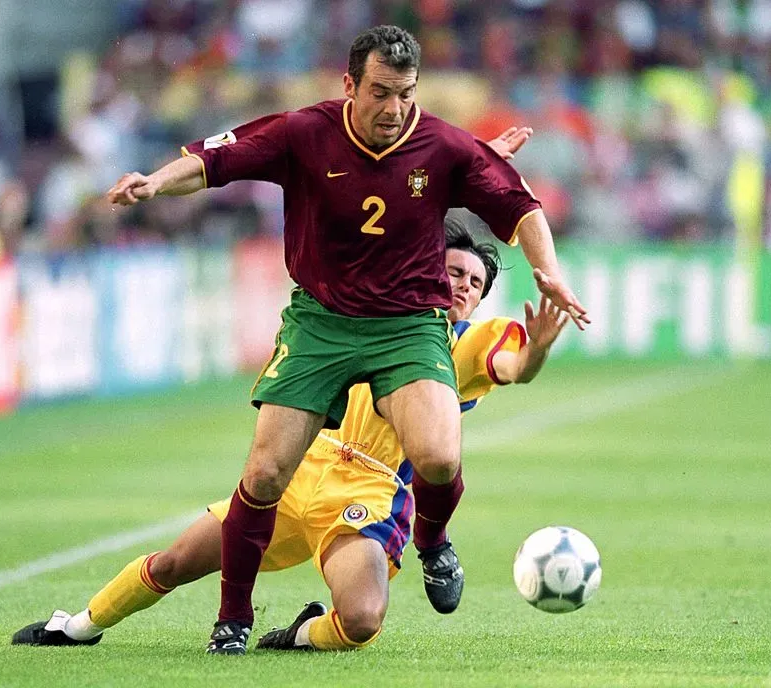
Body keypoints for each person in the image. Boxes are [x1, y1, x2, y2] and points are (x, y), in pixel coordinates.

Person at [106, 24, 587, 654]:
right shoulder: (304, 132)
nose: (394, 109)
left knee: (440, 457)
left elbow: (522, 209)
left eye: (406, 94)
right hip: (322, 322)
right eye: (381, 93)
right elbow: (214, 159)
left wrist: (549, 273)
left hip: (407, 324)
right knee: (266, 471)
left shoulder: (442, 144)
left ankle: (434, 545)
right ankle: (233, 621)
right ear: (349, 85)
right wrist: (153, 182)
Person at [12, 217, 570, 652]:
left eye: (474, 282)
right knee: (176, 562)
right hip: (295, 473)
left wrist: (538, 349)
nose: (461, 287)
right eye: (452, 272)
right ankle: (79, 626)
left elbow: (513, 365)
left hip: (364, 498)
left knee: (361, 620)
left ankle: (302, 634)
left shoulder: (468, 342)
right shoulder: (365, 309)